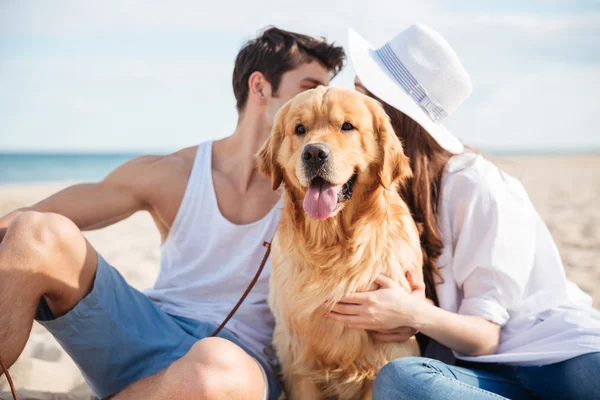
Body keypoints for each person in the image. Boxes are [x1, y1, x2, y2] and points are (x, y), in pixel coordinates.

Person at [0, 27, 345, 400]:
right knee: (34, 232)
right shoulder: (176, 172)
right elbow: (29, 223)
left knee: (213, 366)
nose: (320, 105)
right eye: (309, 89)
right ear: (259, 87)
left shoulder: (318, 192)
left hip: (237, 366)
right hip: (144, 331)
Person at [325, 24, 600, 399]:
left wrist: (413, 313)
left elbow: (485, 337)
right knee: (400, 380)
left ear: (389, 112)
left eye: (361, 93)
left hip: (557, 356)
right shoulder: (377, 193)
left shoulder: (473, 183)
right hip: (482, 375)